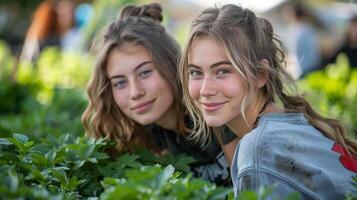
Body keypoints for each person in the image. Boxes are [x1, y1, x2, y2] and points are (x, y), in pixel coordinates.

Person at [179, 4, 357, 199]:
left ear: (261, 75)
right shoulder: (288, 123)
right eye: (196, 73)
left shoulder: (257, 151)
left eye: (223, 71)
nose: (205, 90)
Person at [81, 3, 237, 185]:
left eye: (145, 72)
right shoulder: (141, 138)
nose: (135, 92)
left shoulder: (216, 110)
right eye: (120, 82)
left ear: (171, 64)